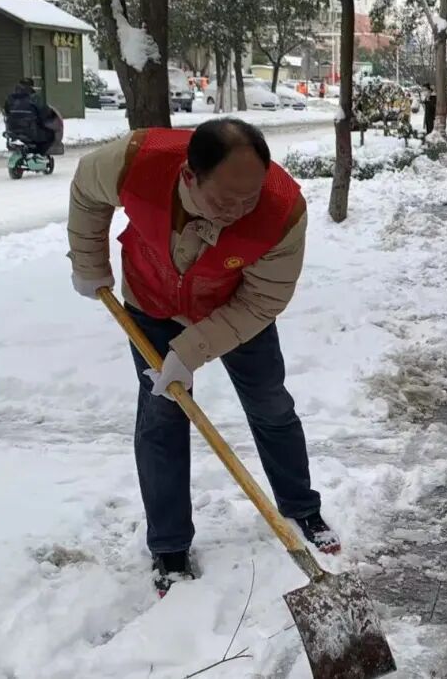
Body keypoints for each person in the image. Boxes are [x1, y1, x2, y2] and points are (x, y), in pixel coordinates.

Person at [67, 119, 338, 594]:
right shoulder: (137, 161)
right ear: (190, 176)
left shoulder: (282, 209)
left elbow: (262, 301)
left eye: (248, 197)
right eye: (225, 199)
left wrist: (191, 350)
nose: (238, 210)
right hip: (150, 302)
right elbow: (87, 190)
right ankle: (169, 545)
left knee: (271, 404)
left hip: (235, 308)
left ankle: (300, 507)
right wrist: (89, 263)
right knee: (161, 416)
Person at [4, 77, 56, 154]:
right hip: (30, 132)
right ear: (31, 87)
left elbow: (7, 111)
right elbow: (44, 112)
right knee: (50, 136)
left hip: (12, 131)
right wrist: (52, 115)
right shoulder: (34, 98)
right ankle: (38, 155)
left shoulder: (10, 98)